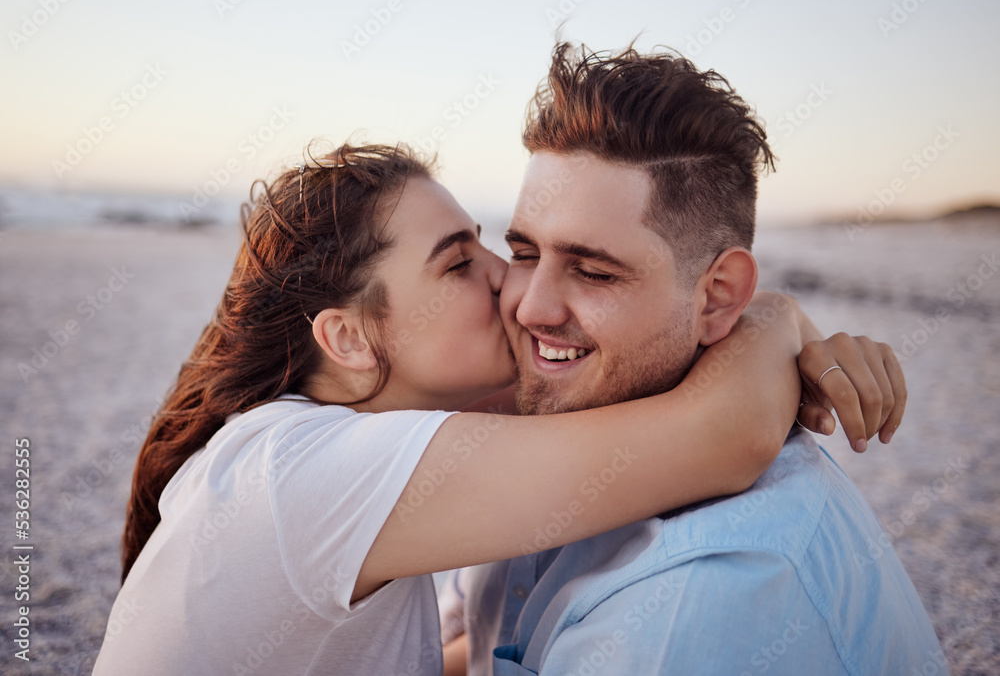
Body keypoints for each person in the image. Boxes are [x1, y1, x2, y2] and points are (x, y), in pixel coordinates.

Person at [93, 138, 902, 675]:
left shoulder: (332, 444)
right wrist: (775, 318)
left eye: (491, 245)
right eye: (457, 264)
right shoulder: (306, 475)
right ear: (347, 338)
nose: (509, 282)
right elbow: (723, 433)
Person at [447, 43, 944, 675]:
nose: (531, 308)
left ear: (718, 298)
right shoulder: (540, 433)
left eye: (595, 273)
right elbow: (485, 650)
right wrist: (778, 318)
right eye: (523, 254)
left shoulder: (691, 605)